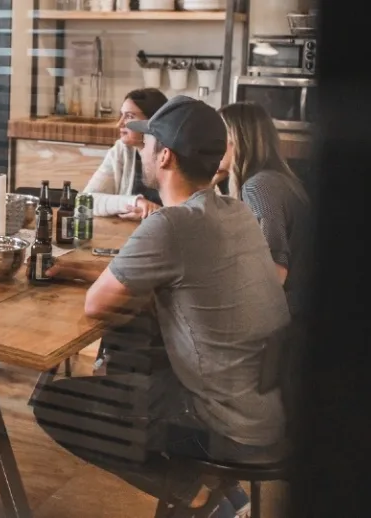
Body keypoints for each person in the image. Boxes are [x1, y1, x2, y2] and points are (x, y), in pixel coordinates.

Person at [44, 96, 291, 517]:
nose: (138, 148)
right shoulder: (234, 211)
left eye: (146, 142)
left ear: (165, 155)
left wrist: (85, 278)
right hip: (265, 410)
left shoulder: (171, 224)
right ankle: (210, 493)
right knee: (139, 357)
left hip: (220, 425)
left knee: (56, 404)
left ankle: (191, 490)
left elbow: (97, 303)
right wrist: (73, 271)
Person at [218, 102, 311, 317]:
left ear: (237, 140)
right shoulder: (275, 179)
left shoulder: (259, 187)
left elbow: (273, 273)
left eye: (217, 135)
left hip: (287, 316)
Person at [82, 88, 168, 220]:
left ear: (153, 122)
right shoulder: (121, 150)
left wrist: (155, 213)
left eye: (129, 116)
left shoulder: (174, 155)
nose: (119, 124)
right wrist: (136, 202)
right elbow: (85, 201)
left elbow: (190, 213)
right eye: (121, 115)